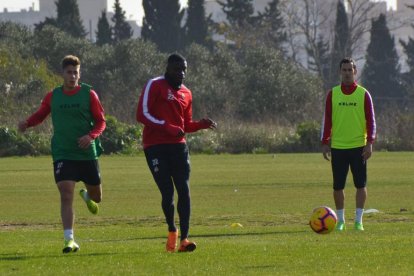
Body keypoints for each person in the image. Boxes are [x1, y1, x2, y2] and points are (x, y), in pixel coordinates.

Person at [18, 55, 106, 253]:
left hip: (86, 154)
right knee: (66, 194)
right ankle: (69, 240)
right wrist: (27, 123)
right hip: (63, 153)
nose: (72, 76)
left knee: (97, 197)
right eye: (69, 72)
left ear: (79, 74)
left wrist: (91, 136)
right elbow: (41, 114)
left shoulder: (89, 94)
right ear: (62, 74)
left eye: (76, 72)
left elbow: (101, 121)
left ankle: (87, 196)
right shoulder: (53, 96)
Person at [136, 53, 217, 252]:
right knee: (167, 192)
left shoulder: (187, 93)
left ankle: (185, 239)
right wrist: (166, 126)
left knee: (184, 189)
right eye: (177, 69)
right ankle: (173, 230)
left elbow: (185, 125)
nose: (181, 73)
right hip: (155, 146)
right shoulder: (154, 85)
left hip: (178, 147)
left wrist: (200, 125)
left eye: (184, 70)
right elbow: (141, 114)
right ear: (168, 68)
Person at [321, 57, 376, 231]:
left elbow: (371, 121)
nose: (346, 73)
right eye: (343, 70)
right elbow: (327, 120)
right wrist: (325, 142)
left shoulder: (363, 94)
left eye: (349, 70)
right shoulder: (333, 94)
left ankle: (359, 221)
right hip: (338, 147)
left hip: (359, 146)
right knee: (338, 186)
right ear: (340, 72)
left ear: (355, 71)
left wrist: (369, 143)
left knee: (360, 184)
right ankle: (341, 221)